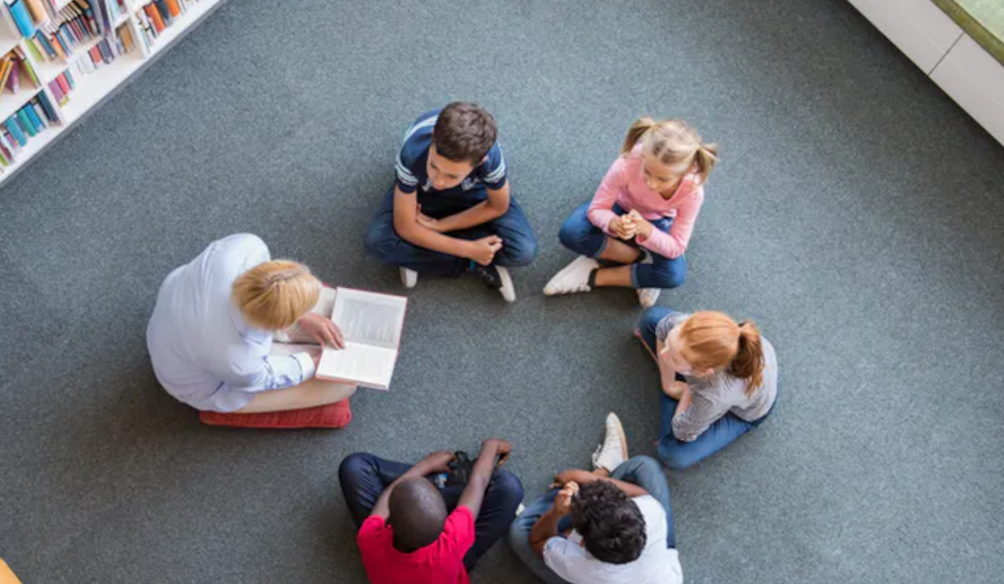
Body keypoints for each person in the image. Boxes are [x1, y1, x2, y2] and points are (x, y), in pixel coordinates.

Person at [508, 413, 682, 584]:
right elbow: (643, 495)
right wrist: (584, 478)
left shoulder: (578, 564)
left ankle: (590, 483)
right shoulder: (650, 513)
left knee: (519, 533)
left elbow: (537, 540)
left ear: (581, 542)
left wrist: (556, 512)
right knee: (643, 467)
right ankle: (599, 475)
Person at [146, 233, 356, 413]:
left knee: (331, 308)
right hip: (206, 380)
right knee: (342, 387)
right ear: (280, 322)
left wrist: (303, 315)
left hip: (181, 313)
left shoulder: (245, 248)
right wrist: (311, 363)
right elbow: (266, 376)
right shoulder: (240, 363)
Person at [363, 102, 536, 303]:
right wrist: (469, 250)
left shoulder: (490, 158)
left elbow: (498, 206)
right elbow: (405, 227)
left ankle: (420, 253)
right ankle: (473, 262)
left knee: (523, 250)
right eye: (434, 166)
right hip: (422, 195)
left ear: (479, 162)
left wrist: (439, 225)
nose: (438, 181)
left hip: (473, 194)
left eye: (452, 176)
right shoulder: (412, 152)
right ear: (433, 140)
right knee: (376, 241)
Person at [543, 117, 719, 308]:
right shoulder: (627, 163)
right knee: (571, 232)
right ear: (643, 157)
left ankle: (593, 276)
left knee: (673, 276)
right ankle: (639, 259)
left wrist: (646, 231)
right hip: (620, 206)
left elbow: (677, 246)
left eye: (663, 179)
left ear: (686, 171)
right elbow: (598, 208)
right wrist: (613, 223)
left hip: (658, 221)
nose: (652, 184)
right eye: (647, 172)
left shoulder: (693, 191)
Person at [338, 440, 524, 584]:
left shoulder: (370, 535)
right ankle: (443, 486)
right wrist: (490, 446)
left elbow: (389, 496)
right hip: (453, 563)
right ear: (446, 522)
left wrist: (425, 465)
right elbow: (479, 482)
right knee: (509, 487)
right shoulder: (453, 537)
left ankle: (434, 482)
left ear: (389, 520)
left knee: (354, 466)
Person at [634, 307, 778, 469]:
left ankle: (687, 392)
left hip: (746, 411)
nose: (663, 355)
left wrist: (690, 390)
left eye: (673, 357)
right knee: (650, 319)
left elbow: (683, 432)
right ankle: (680, 379)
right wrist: (669, 385)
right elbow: (662, 329)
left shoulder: (712, 396)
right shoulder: (681, 325)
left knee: (671, 454)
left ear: (703, 372)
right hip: (714, 385)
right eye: (668, 345)